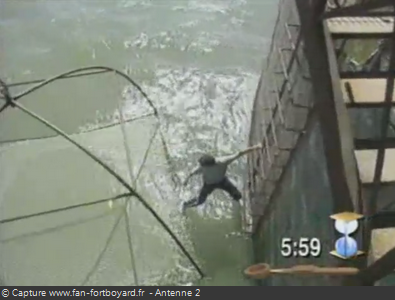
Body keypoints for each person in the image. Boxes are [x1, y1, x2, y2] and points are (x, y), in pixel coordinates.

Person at [181, 144, 262, 212]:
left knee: (237, 195)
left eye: (202, 165)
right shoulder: (201, 167)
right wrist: (186, 180)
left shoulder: (223, 161)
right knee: (200, 202)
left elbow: (239, 153)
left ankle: (241, 206)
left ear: (209, 165)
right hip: (209, 185)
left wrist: (256, 147)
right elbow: (191, 173)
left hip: (222, 181)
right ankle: (186, 204)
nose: (200, 166)